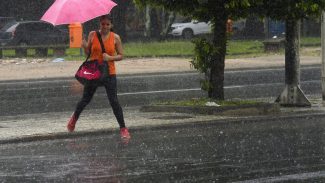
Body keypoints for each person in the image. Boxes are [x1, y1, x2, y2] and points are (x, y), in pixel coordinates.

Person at [67, 14, 130, 141]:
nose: (105, 26)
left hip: (109, 73)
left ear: (111, 25)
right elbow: (88, 53)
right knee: (85, 99)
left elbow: (121, 55)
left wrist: (110, 58)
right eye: (103, 24)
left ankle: (123, 129)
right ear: (99, 24)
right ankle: (74, 119)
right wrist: (84, 45)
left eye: (108, 24)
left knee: (114, 101)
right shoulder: (92, 35)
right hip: (94, 72)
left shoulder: (115, 38)